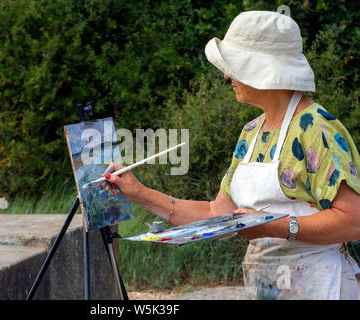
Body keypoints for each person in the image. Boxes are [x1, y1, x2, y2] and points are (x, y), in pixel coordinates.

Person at [100, 11, 360, 300]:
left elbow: (353, 221)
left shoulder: (316, 129)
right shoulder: (251, 133)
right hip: (269, 288)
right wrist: (138, 192)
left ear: (263, 68)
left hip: (319, 287)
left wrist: (273, 226)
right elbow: (216, 214)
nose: (226, 75)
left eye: (235, 65)